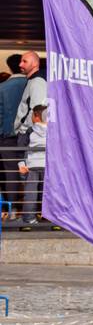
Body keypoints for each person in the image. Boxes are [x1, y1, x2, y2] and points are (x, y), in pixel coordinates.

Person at [0, 54, 26, 220]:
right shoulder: (32, 84)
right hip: (31, 135)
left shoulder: (2, 88)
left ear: (10, 67)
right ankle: (34, 209)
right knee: (34, 172)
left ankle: (12, 209)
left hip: (7, 135)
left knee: (10, 172)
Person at [17, 104, 46, 223]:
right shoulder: (55, 131)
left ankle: (29, 220)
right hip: (49, 167)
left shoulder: (29, 131)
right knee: (49, 194)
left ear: (36, 116)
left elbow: (20, 149)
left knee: (30, 194)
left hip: (32, 167)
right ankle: (53, 220)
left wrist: (21, 166)